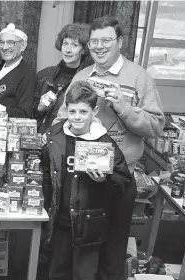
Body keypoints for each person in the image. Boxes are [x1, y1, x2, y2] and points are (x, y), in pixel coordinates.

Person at [52, 16, 165, 280]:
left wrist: (123, 106)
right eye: (94, 41)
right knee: (74, 253)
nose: (99, 47)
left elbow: (156, 127)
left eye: (106, 40)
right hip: (79, 181)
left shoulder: (139, 77)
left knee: (111, 255)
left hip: (118, 181)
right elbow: (60, 119)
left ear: (120, 42)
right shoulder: (82, 76)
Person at [42, 81, 133, 280]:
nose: (77, 117)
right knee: (57, 272)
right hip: (60, 222)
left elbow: (124, 181)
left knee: (85, 274)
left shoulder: (105, 142)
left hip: (90, 227)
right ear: (65, 109)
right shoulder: (54, 135)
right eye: (72, 111)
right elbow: (44, 171)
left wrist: (105, 181)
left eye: (83, 112)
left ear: (95, 111)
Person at [34, 23, 91, 133]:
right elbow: (29, 113)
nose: (68, 50)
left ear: (83, 50)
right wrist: (40, 108)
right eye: (65, 44)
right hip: (41, 137)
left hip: (67, 140)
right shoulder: (44, 75)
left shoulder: (87, 79)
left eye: (74, 45)